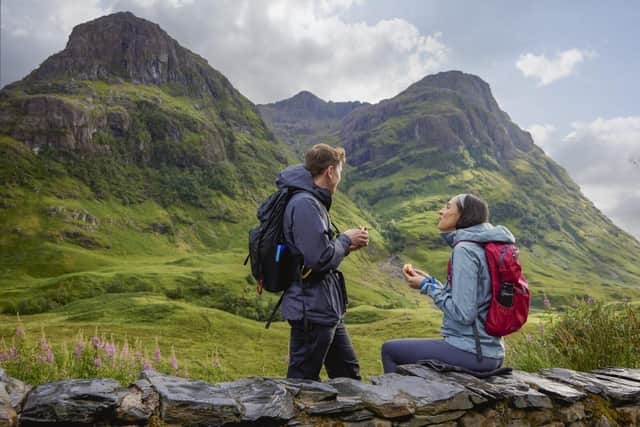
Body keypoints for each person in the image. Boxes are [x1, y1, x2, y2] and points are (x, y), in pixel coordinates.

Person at [381, 194, 515, 373]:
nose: (441, 211)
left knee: (390, 350)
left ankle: (397, 401)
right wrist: (429, 282)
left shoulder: (465, 250)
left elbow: (464, 313)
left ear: (463, 215)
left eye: (448, 207)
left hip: (473, 353)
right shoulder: (483, 245)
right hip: (490, 351)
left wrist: (426, 287)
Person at [278, 143, 369, 381]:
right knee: (302, 380)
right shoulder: (305, 204)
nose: (339, 178)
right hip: (311, 310)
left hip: (326, 309)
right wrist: (346, 239)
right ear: (330, 171)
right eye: (339, 171)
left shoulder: (312, 202)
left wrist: (346, 247)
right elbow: (319, 260)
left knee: (348, 375)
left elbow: (318, 254)